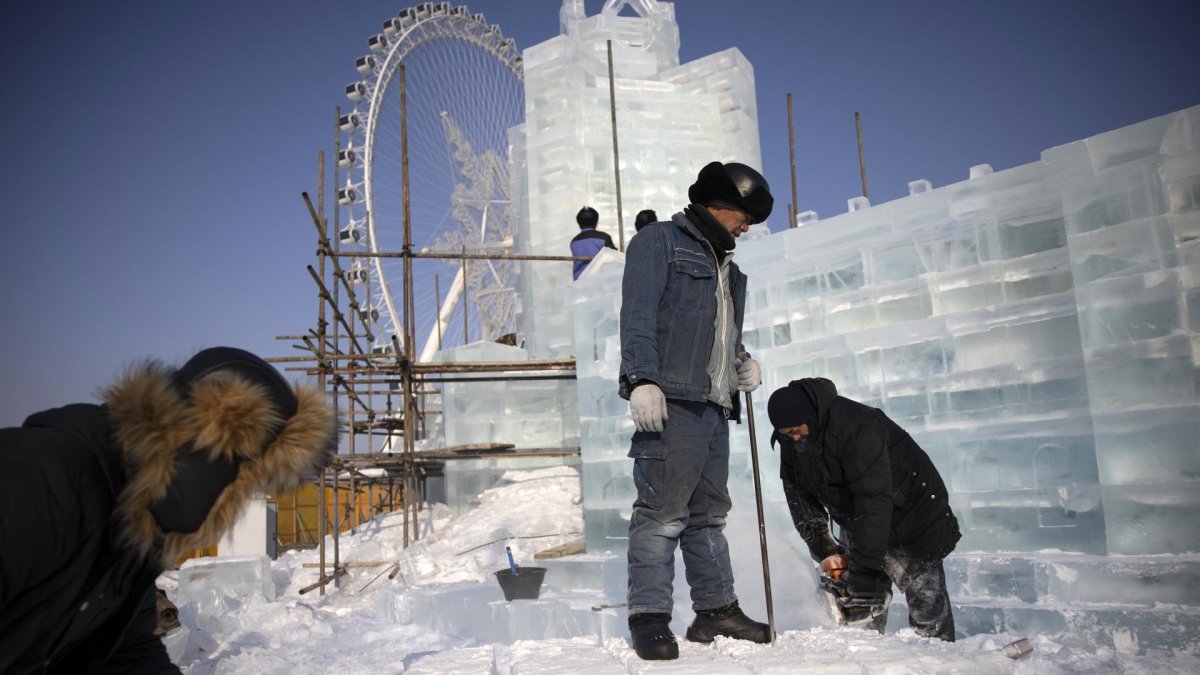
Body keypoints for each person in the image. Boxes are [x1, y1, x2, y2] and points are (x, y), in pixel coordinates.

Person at [0, 347, 337, 673]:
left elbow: (127, 653)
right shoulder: (40, 479)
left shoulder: (131, 539)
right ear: (203, 458)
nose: (227, 518)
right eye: (240, 490)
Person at [618, 161, 774, 660]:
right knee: (662, 515)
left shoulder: (730, 268)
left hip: (713, 404)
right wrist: (641, 379)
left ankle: (715, 611)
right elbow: (638, 316)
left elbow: (719, 333)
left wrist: (742, 361)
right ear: (720, 204)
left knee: (708, 516)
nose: (746, 226)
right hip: (672, 401)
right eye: (745, 215)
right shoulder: (660, 242)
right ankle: (649, 618)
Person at [766, 377, 961, 642]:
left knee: (925, 600)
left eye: (797, 430)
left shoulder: (855, 427)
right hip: (861, 516)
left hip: (912, 514)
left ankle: (941, 657)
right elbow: (798, 492)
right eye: (787, 434)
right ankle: (869, 656)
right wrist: (824, 546)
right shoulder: (793, 439)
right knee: (861, 605)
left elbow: (874, 498)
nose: (795, 437)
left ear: (810, 416)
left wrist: (866, 570)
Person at [569, 205, 616, 280]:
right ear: (596, 222)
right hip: (599, 282)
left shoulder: (574, 242)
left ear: (579, 223)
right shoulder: (604, 237)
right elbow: (614, 258)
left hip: (580, 282)